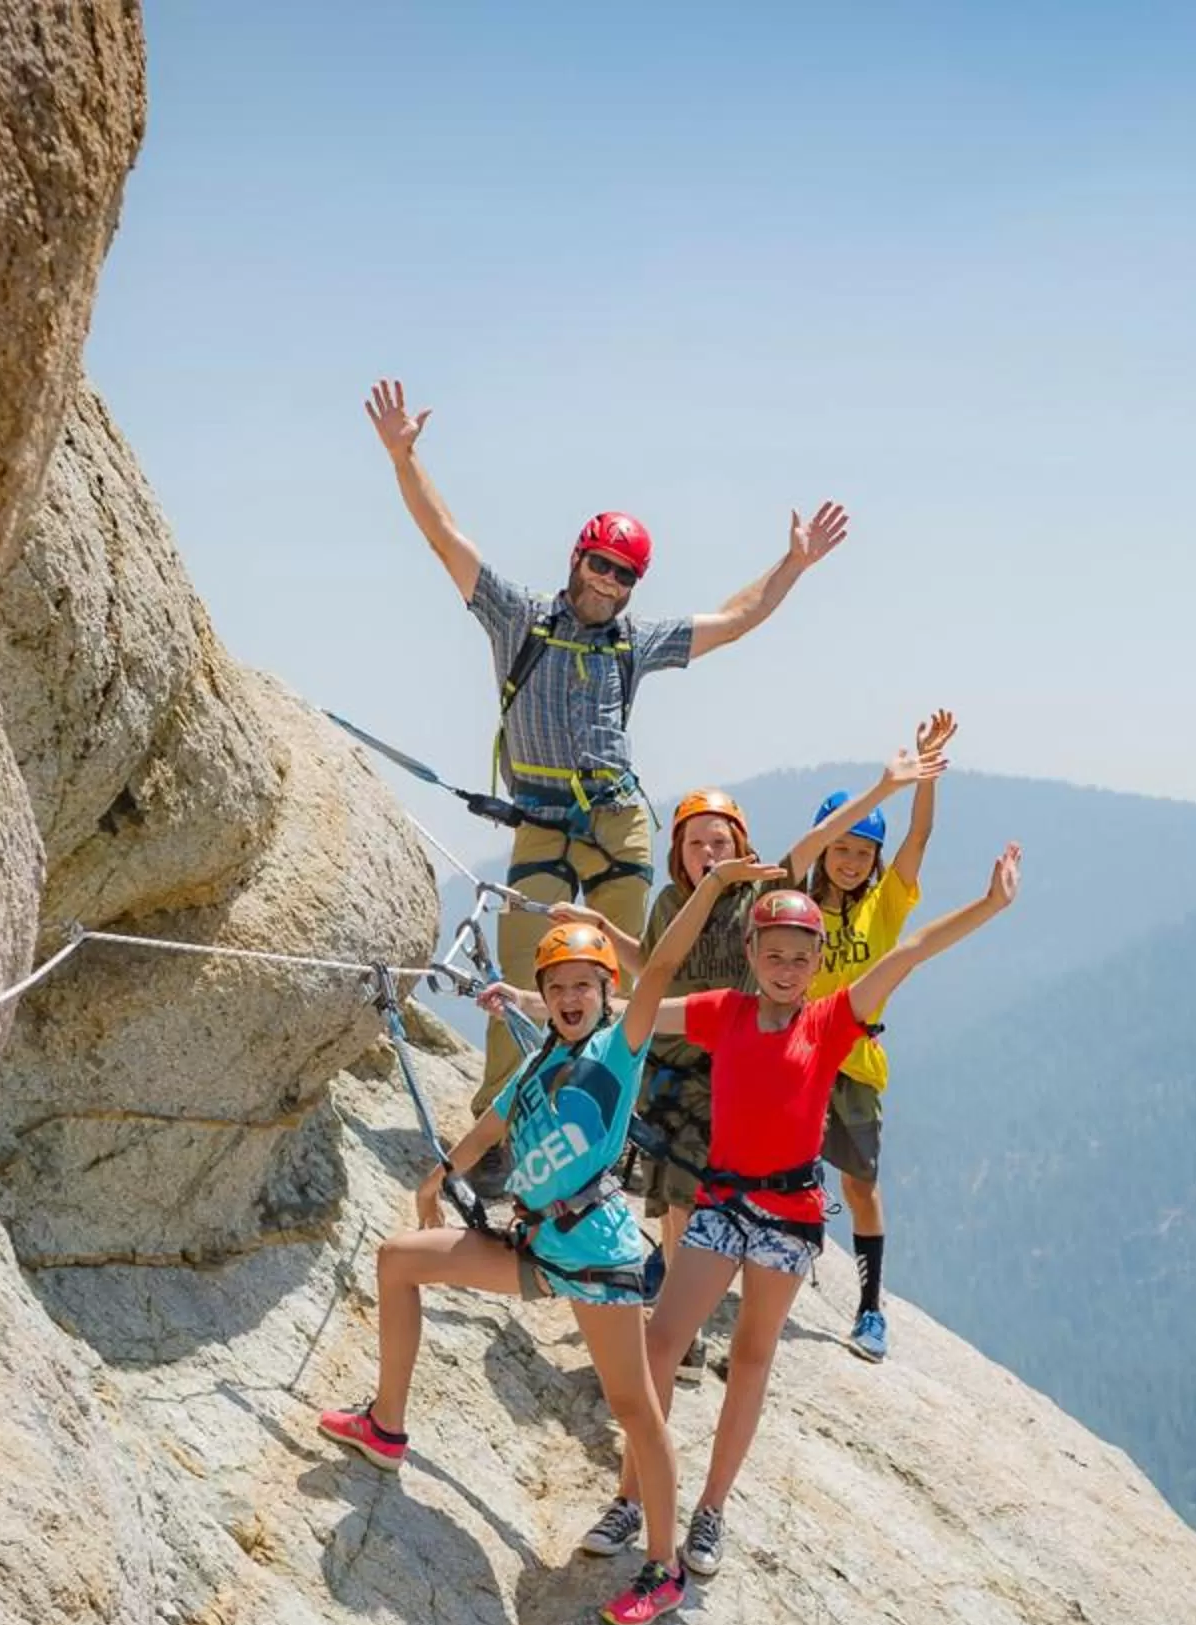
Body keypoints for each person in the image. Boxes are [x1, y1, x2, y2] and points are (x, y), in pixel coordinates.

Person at [362, 377, 851, 1178]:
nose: (609, 582)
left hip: (619, 822)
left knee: (636, 982)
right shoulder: (519, 616)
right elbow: (444, 537)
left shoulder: (634, 640)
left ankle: (611, 1124)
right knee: (525, 973)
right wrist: (402, 457)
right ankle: (498, 1122)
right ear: (575, 559)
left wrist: (792, 563)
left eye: (625, 574)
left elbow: (733, 620)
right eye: (600, 564)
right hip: (544, 821)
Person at [318, 853, 786, 1625]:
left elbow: (665, 960)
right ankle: (386, 1426)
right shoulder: (542, 1058)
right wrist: (440, 1175)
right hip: (534, 1245)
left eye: (584, 987)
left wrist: (710, 886)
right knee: (399, 1260)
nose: (571, 1000)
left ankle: (663, 1568)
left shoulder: (617, 1047)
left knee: (636, 1408)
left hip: (597, 1256)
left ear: (606, 995)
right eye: (559, 987)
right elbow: (496, 1121)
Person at [589, 838, 1024, 1581]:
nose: (786, 970)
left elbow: (911, 950)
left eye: (799, 958)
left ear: (817, 962)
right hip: (724, 1200)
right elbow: (638, 1012)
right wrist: (535, 1000)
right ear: (753, 951)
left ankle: (711, 1509)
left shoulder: (831, 1021)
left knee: (751, 1360)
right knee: (661, 1343)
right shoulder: (723, 1012)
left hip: (787, 1211)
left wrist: (989, 905)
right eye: (775, 955)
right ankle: (634, 1495)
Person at [611, 729, 954, 1384]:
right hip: (726, 1059)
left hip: (793, 1062)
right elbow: (660, 968)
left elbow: (863, 845)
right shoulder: (724, 905)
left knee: (827, 1185)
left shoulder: (817, 899)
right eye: (696, 842)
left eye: (721, 841)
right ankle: (686, 1274)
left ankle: (856, 1303)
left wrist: (901, 785)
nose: (709, 852)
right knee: (698, 1182)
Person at [805, 709, 957, 1361]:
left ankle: (870, 1309)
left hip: (858, 1059)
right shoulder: (796, 905)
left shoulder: (885, 903)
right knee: (776, 1169)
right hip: (802, 1054)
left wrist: (923, 771)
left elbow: (920, 835)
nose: (849, 860)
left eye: (861, 852)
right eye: (840, 848)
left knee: (861, 1188)